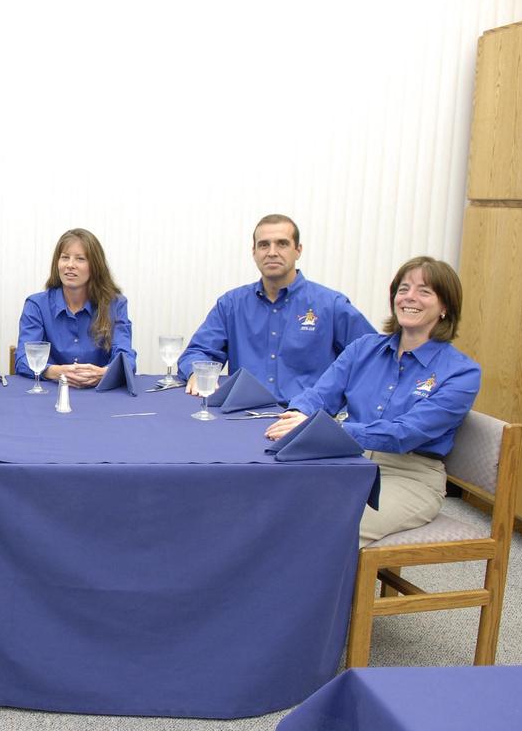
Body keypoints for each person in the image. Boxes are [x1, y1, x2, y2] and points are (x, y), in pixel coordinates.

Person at [265, 257, 480, 546]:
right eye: (403, 289)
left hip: (410, 477)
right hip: (348, 461)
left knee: (329, 527)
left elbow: (406, 434)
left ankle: (319, 590)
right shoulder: (363, 348)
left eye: (425, 291)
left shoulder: (462, 372)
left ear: (445, 308)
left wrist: (328, 431)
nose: (410, 297)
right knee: (274, 505)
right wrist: (295, 416)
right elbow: (319, 395)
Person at [178, 214, 375, 402]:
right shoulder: (231, 305)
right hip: (240, 415)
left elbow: (373, 360)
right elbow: (198, 352)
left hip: (303, 418)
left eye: (282, 243)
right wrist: (197, 372)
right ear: (254, 252)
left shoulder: (331, 305)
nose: (272, 252)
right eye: (264, 245)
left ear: (298, 250)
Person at [14, 228, 134, 387]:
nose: (70, 265)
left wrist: (104, 373)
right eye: (64, 257)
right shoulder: (37, 305)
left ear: (95, 266)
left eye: (80, 259)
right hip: (50, 392)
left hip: (100, 393)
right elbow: (23, 359)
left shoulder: (116, 304)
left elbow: (126, 358)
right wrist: (57, 372)